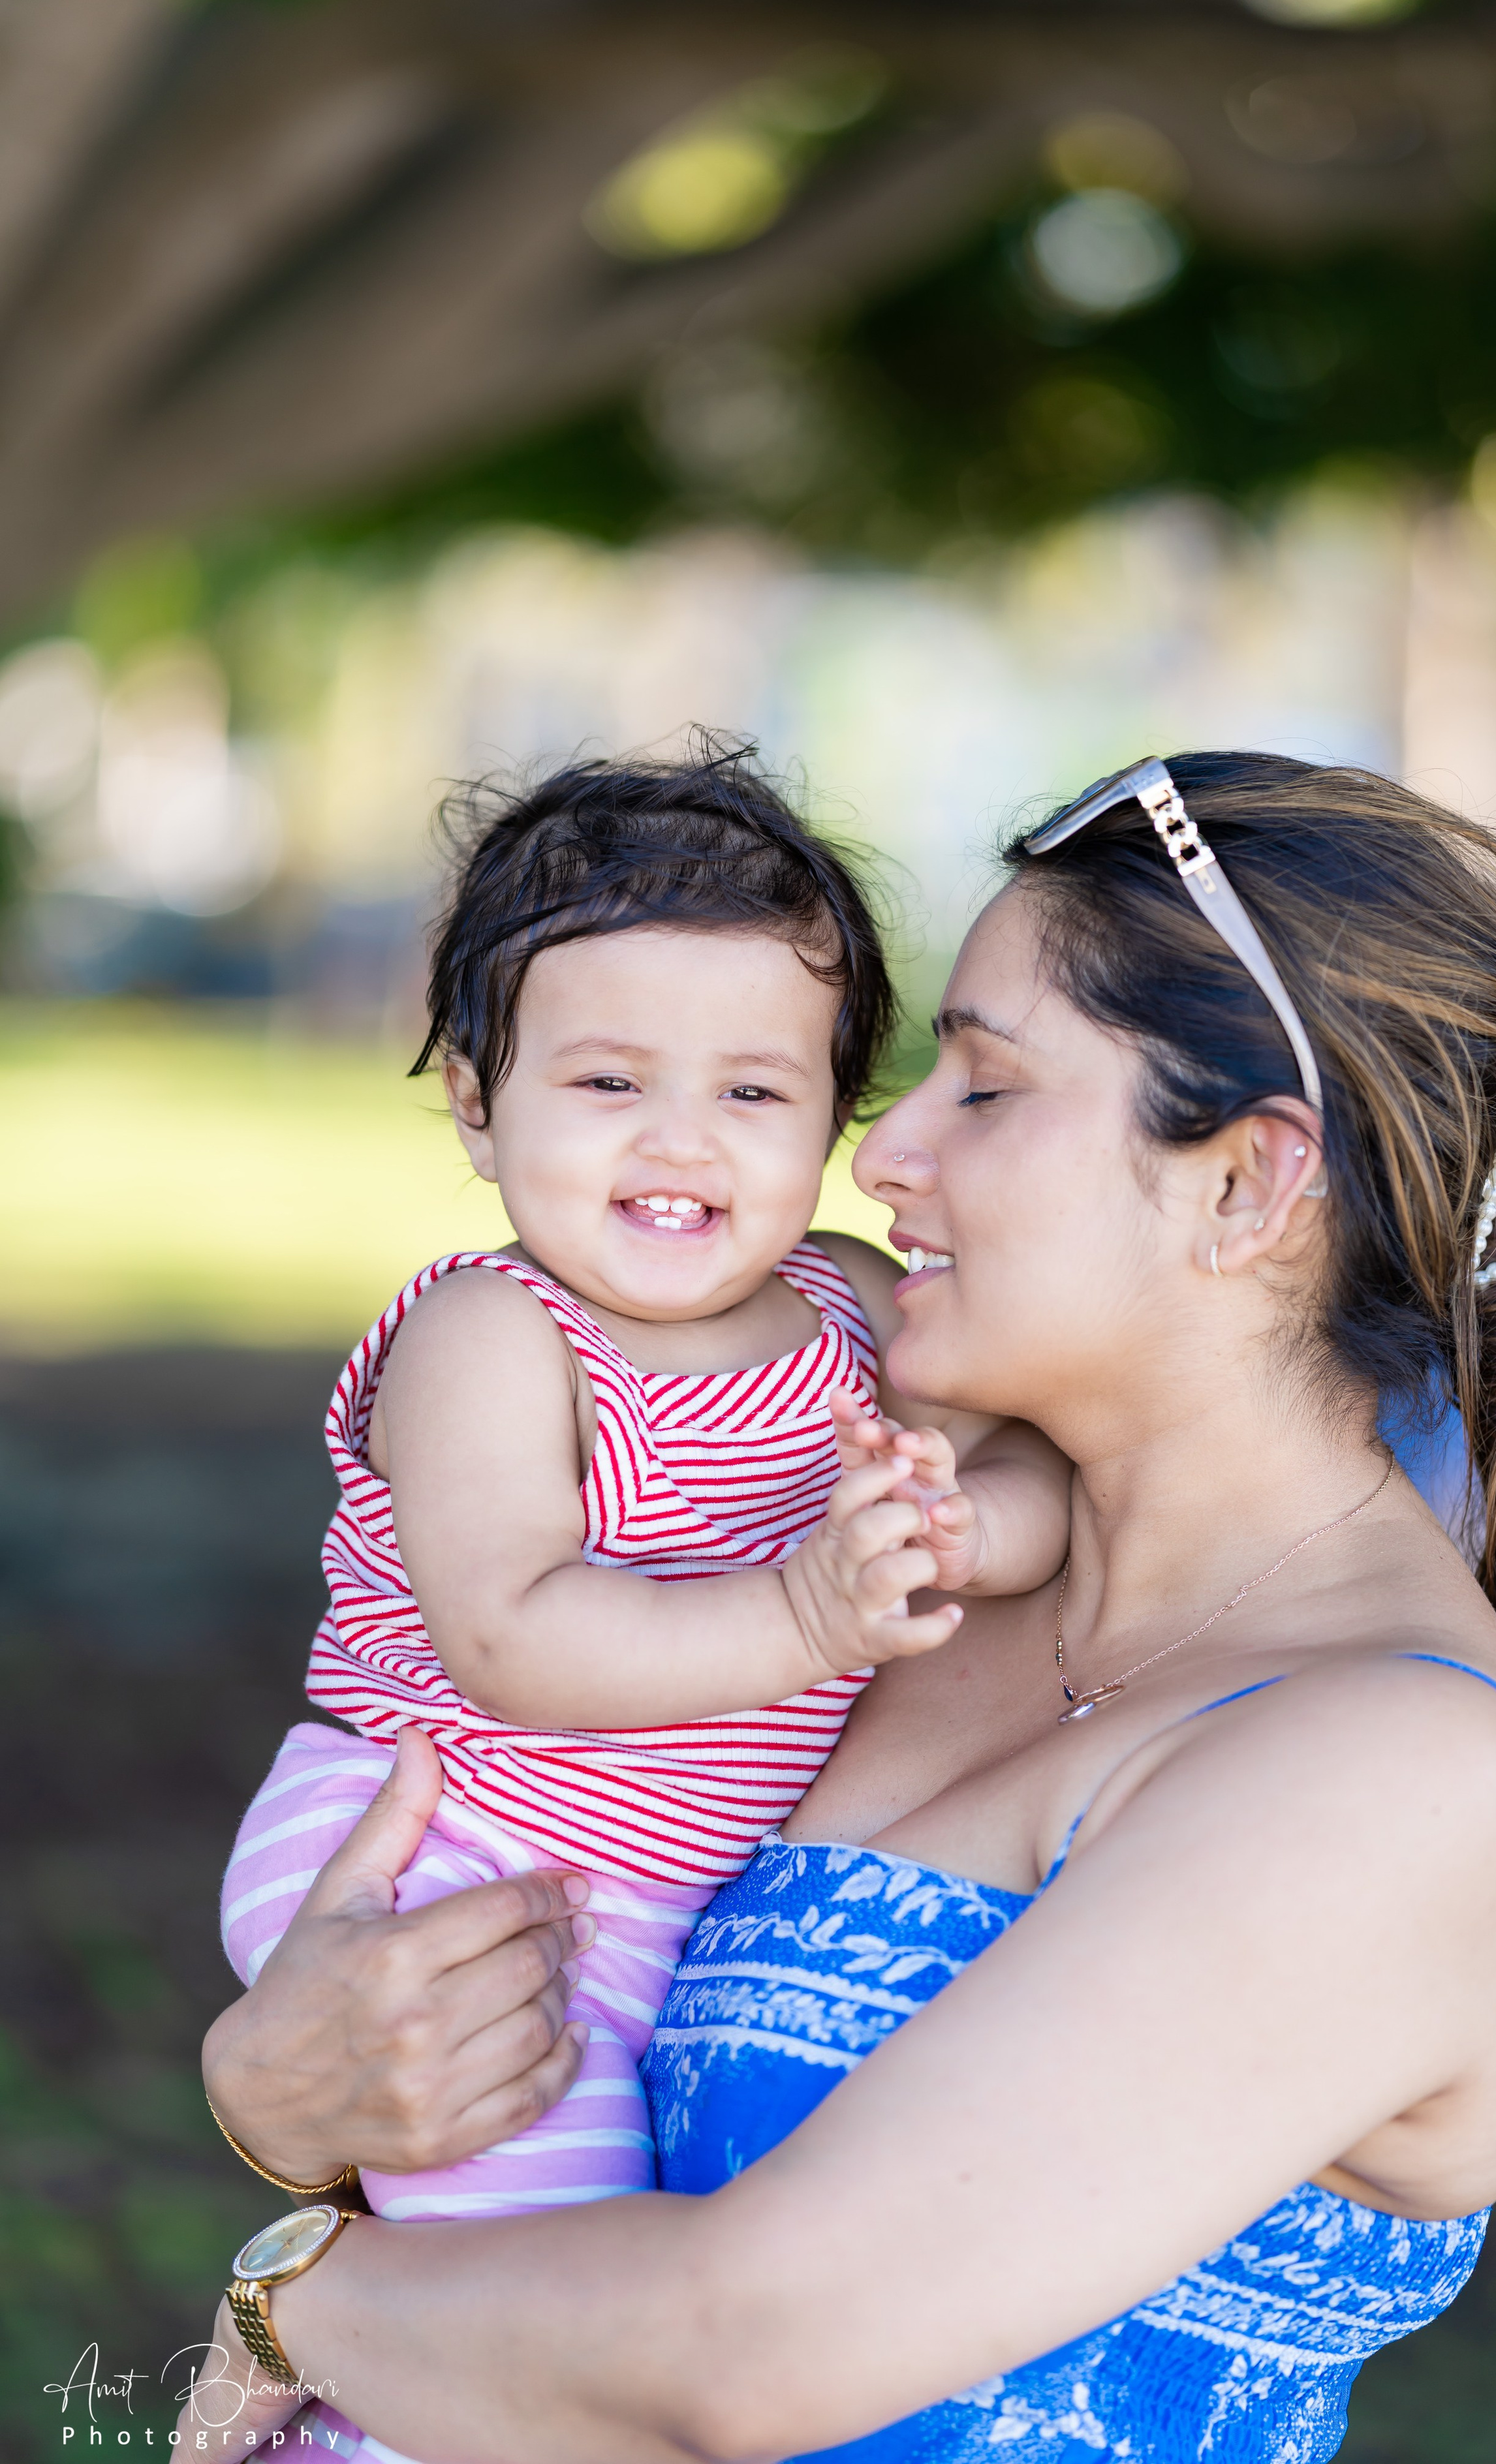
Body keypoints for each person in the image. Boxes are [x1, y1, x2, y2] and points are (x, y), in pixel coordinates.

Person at [192, 751, 1496, 2464]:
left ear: (1247, 1188)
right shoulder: (903, 1580)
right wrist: (284, 2100)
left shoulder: (1399, 1779)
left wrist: (291, 2289)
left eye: (980, 1088)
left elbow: (735, 2357)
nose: (875, 1153)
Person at [210, 746, 1068, 2450]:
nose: (684, 1141)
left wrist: (964, 1532)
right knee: (547, 2287)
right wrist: (813, 1616)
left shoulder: (853, 1307)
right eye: (609, 1082)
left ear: (836, 1113)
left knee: (631, 2256)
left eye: (755, 1094)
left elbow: (1032, 1477)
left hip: (652, 1894)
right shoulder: (494, 1337)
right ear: (476, 1098)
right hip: (460, 1862)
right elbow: (514, 1633)